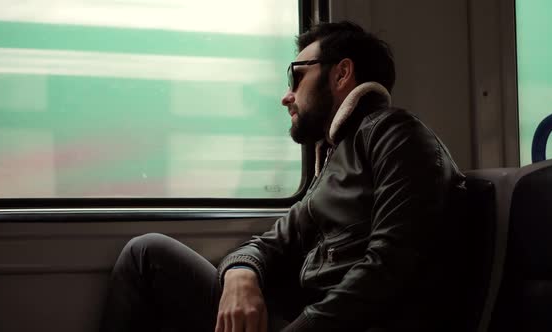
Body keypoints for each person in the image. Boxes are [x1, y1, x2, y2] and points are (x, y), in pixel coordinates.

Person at [100, 21, 466, 332]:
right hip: (302, 315)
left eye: (297, 76)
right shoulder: (334, 159)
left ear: (341, 73)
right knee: (149, 254)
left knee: (145, 255)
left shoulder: (393, 133)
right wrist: (241, 273)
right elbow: (271, 243)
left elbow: (390, 269)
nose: (286, 96)